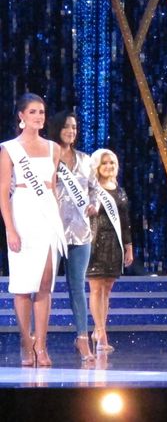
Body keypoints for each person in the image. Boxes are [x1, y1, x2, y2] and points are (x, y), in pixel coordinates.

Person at [0, 93, 66, 367]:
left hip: (47, 216)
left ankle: (41, 343)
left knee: (44, 283)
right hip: (22, 215)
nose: (39, 116)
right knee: (22, 286)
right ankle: (26, 343)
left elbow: (52, 188)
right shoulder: (9, 149)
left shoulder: (54, 148)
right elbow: (3, 193)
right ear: (21, 116)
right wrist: (10, 230)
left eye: (41, 112)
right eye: (33, 112)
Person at [49, 111, 99, 361]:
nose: (71, 131)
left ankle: (82, 338)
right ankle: (39, 342)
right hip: (52, 230)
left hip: (80, 232)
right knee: (44, 287)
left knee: (77, 286)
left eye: (75, 127)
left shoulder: (85, 159)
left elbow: (95, 190)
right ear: (57, 128)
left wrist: (94, 205)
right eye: (67, 127)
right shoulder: (47, 156)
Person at [86, 149, 134, 353]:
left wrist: (129, 247)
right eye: (104, 163)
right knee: (96, 289)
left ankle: (100, 330)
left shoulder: (119, 190)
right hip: (95, 243)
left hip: (115, 245)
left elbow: (125, 222)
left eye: (112, 163)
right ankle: (100, 332)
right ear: (97, 166)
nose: (108, 167)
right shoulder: (91, 189)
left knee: (107, 290)